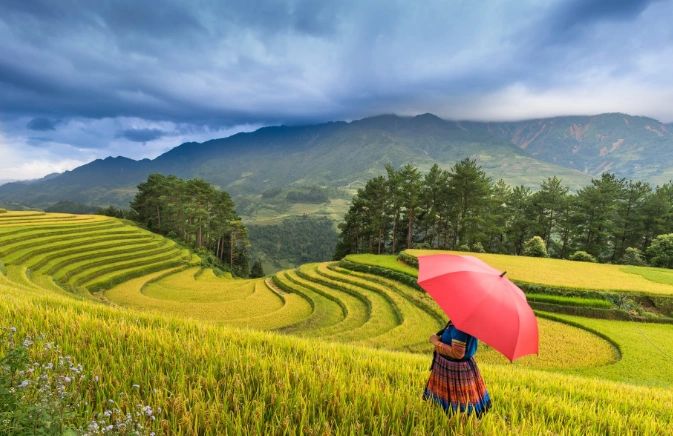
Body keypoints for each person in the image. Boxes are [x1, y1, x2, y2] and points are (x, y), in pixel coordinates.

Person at [422, 320, 491, 417]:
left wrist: (436, 341)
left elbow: (458, 353)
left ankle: (457, 424)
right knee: (451, 407)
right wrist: (441, 338)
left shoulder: (460, 327)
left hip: (454, 371)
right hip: (454, 367)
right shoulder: (466, 323)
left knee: (459, 408)